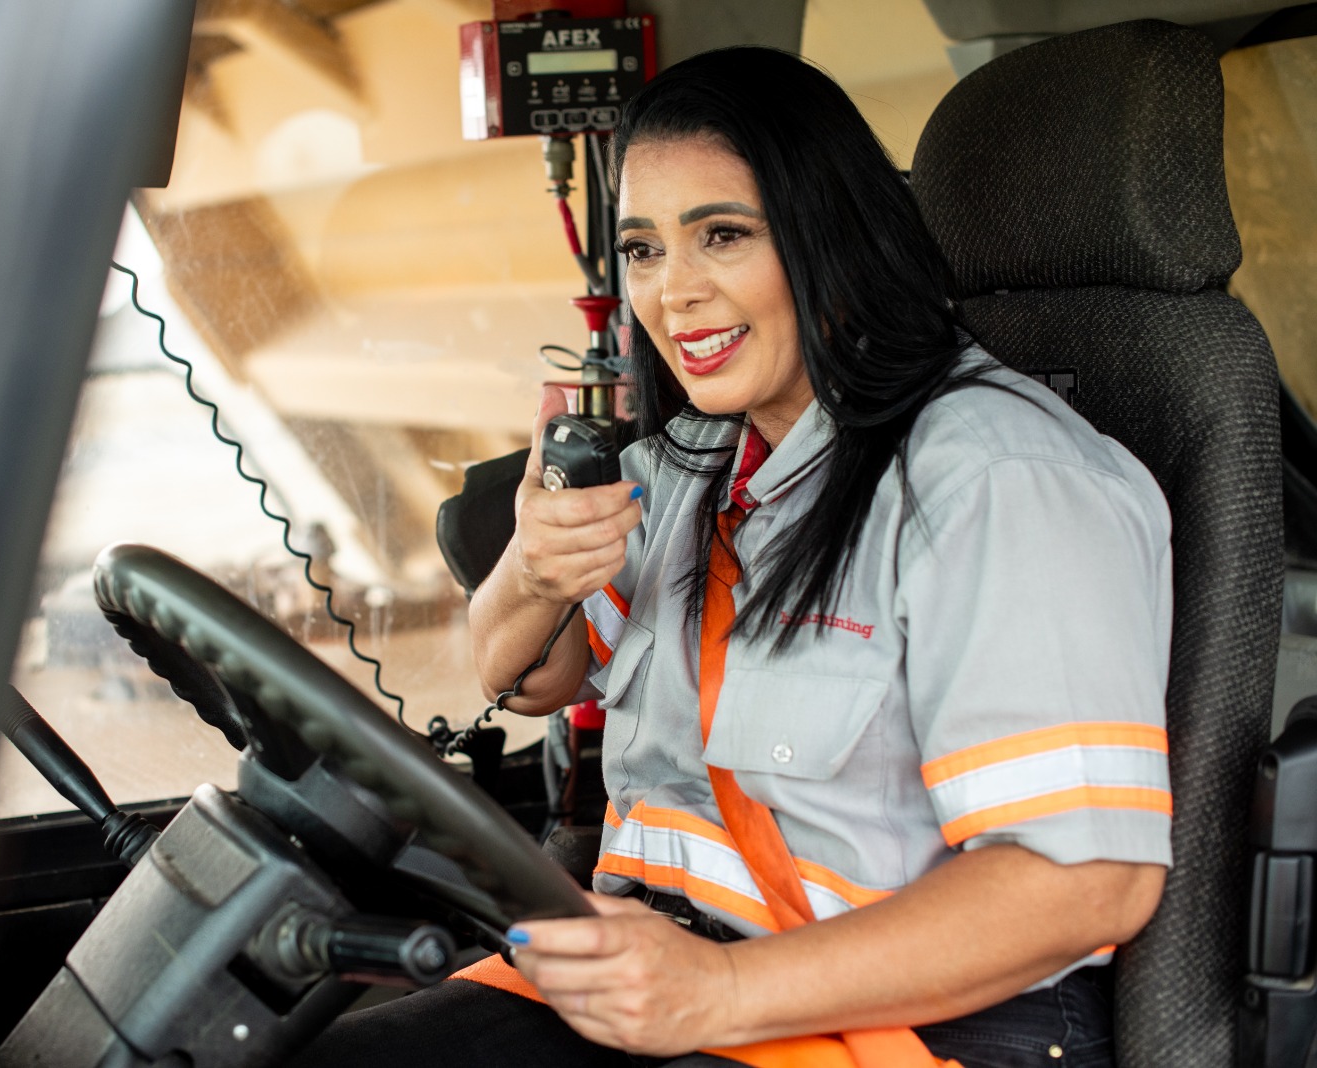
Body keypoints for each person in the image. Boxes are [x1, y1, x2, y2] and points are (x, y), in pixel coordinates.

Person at [291, 45, 1171, 1068]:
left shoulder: (998, 481)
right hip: (660, 976)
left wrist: (718, 993)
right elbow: (524, 678)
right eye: (643, 249)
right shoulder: (693, 464)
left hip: (895, 1022)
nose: (673, 293)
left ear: (830, 235)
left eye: (722, 236)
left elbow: (1084, 885)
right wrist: (533, 571)